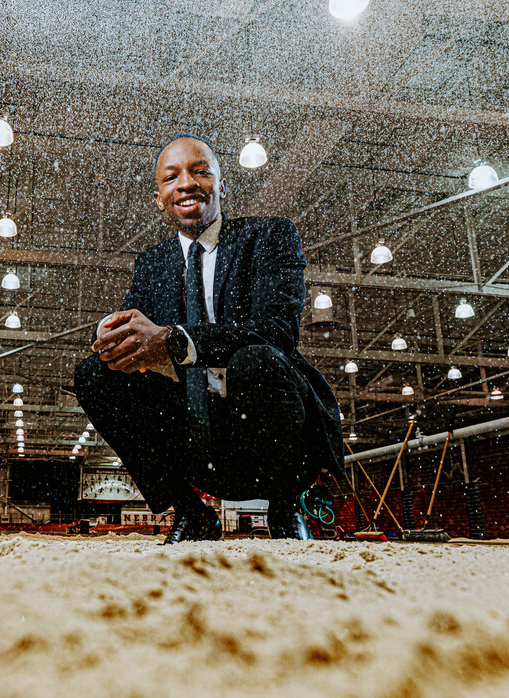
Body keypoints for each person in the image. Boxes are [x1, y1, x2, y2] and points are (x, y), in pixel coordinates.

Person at [74, 134, 345, 543]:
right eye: (172, 177)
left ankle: (286, 509)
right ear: (159, 197)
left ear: (221, 186)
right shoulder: (152, 263)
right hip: (195, 432)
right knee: (96, 372)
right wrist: (114, 334)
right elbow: (136, 327)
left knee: (257, 358)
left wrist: (175, 340)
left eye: (200, 171)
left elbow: (277, 333)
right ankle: (190, 512)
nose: (186, 183)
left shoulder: (269, 235)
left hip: (269, 430)